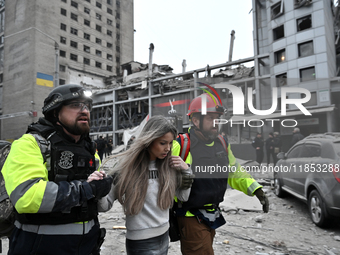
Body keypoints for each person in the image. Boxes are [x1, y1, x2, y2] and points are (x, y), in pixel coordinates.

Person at [2, 84, 113, 255]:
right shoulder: (29, 144)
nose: (84, 111)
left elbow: (98, 203)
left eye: (86, 106)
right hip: (40, 247)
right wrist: (87, 189)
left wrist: (103, 188)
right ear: (55, 112)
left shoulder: (89, 149)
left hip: (88, 246)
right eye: (75, 105)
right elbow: (26, 197)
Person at [172, 93, 269, 255]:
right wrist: (178, 181)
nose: (215, 122)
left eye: (217, 118)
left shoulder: (222, 143)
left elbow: (234, 172)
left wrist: (256, 189)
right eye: (210, 118)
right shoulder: (182, 145)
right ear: (196, 121)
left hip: (212, 215)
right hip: (191, 216)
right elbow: (162, 179)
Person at [96, 115, 193, 255]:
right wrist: (99, 186)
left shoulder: (170, 166)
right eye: (162, 143)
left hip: (165, 236)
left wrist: (186, 171)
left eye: (170, 143)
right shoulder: (126, 167)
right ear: (149, 140)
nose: (168, 148)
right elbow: (104, 206)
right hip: (140, 243)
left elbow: (183, 197)